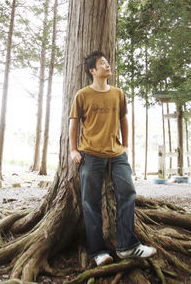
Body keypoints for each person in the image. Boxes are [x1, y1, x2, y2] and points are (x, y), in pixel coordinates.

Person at [69, 50, 157, 267]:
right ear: (92, 70)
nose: (107, 65)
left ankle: (128, 246)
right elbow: (74, 122)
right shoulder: (82, 95)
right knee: (90, 202)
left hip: (117, 154)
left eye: (107, 62)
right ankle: (99, 251)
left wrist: (125, 145)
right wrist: (73, 150)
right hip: (90, 153)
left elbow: (123, 119)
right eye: (102, 63)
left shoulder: (118, 93)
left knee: (127, 193)